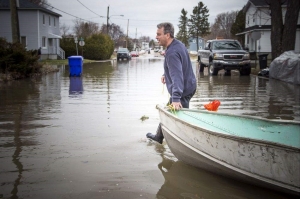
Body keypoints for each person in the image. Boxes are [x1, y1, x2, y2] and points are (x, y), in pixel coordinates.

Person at [146, 22, 197, 144]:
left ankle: (191, 143)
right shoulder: (177, 45)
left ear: (167, 35)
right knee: (169, 113)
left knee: (180, 120)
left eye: (159, 34)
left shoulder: (172, 52)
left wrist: (176, 98)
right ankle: (159, 136)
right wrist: (165, 75)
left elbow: (177, 76)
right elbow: (178, 67)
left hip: (183, 90)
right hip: (189, 85)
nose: (156, 37)